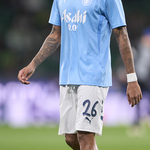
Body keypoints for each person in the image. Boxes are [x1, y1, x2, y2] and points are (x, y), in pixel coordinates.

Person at [18, 0, 142, 149]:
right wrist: (33, 64)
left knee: (85, 136)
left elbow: (121, 34)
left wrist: (132, 79)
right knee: (70, 138)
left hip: (94, 75)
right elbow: (55, 34)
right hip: (68, 76)